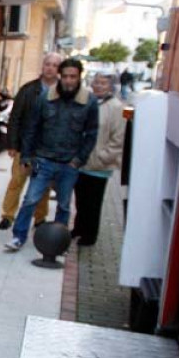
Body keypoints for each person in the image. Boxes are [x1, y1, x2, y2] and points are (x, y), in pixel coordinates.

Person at [5, 58, 99, 251]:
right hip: (43, 160)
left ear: (79, 77)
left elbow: (91, 134)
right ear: (60, 76)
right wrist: (27, 156)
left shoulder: (89, 101)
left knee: (64, 206)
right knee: (30, 200)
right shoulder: (45, 97)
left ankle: (58, 244)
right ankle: (18, 237)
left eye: (73, 76)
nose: (68, 81)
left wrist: (78, 160)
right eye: (65, 76)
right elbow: (32, 128)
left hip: (69, 164)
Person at [0, 53, 61, 230]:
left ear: (59, 69)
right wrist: (12, 144)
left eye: (55, 65)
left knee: (43, 186)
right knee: (16, 181)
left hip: (48, 149)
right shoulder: (28, 89)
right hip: (25, 145)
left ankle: (39, 218)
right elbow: (15, 117)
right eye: (47, 64)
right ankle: (7, 216)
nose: (50, 68)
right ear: (42, 66)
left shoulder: (62, 92)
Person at [72, 72, 125, 246]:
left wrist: (104, 157)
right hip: (82, 162)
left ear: (110, 86)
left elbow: (118, 137)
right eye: (96, 82)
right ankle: (78, 229)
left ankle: (89, 236)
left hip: (100, 165)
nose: (99, 85)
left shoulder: (116, 107)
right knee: (80, 200)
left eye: (103, 83)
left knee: (93, 203)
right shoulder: (87, 101)